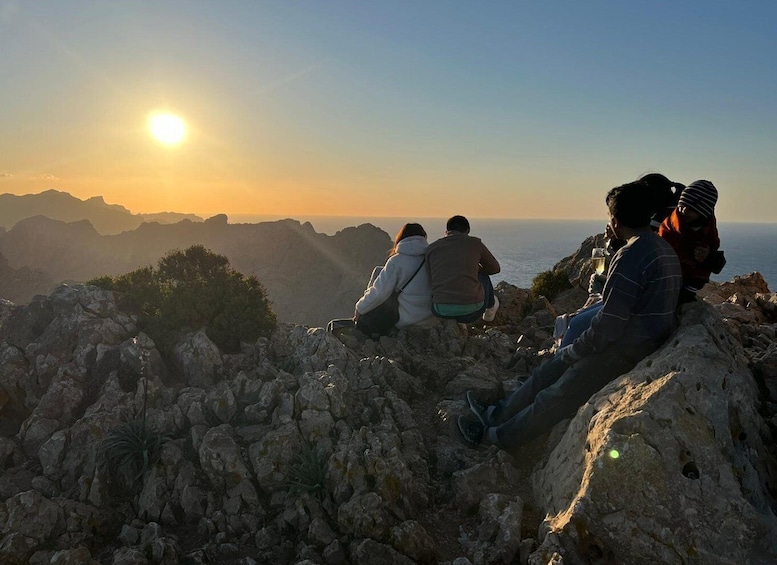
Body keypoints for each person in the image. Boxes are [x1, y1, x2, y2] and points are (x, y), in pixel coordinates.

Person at [459, 180, 682, 450]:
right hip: (638, 342)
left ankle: (495, 437)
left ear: (615, 219)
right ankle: (496, 414)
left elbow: (610, 326)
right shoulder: (662, 249)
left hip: (624, 350)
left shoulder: (631, 255)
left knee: (557, 394)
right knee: (546, 372)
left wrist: (576, 350)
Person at [353, 223, 435, 335]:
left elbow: (379, 293)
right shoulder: (433, 260)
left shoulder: (396, 261)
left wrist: (360, 309)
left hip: (406, 321)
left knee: (379, 274)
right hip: (429, 321)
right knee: (379, 271)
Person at [658, 179, 726, 304]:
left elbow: (715, 256)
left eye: (690, 208)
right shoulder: (668, 227)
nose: (684, 211)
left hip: (691, 277)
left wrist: (708, 257)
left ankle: (688, 291)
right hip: (665, 274)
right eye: (682, 206)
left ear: (703, 211)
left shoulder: (708, 231)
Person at [425, 215, 501, 324]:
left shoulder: (431, 248)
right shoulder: (475, 243)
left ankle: (455, 321)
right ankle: (490, 309)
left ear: (446, 231)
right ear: (468, 230)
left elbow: (430, 277)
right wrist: (476, 270)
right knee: (483, 276)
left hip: (440, 311)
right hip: (473, 311)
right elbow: (495, 268)